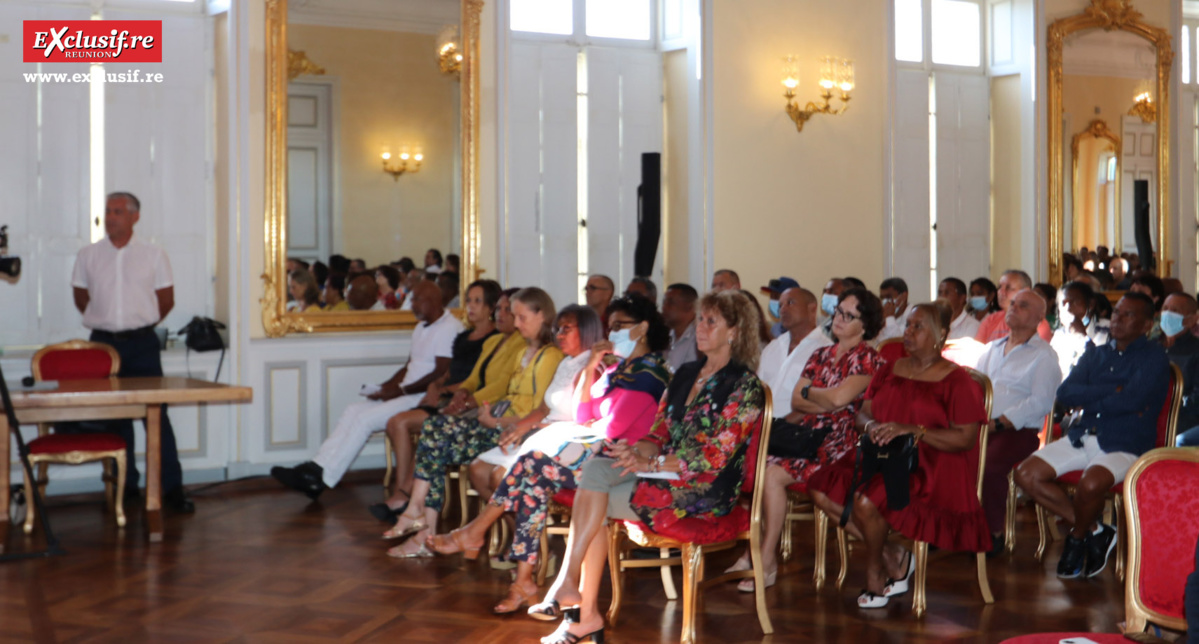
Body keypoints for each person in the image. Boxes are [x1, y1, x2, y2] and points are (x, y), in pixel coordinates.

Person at [532, 289, 765, 644]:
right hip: (661, 472)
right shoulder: (685, 373)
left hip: (703, 488)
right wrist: (633, 451)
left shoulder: (744, 386)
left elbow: (714, 457)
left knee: (593, 503)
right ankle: (575, 596)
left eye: (711, 321)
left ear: (734, 331)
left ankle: (579, 607)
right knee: (598, 468)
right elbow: (658, 431)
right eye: (700, 318)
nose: (699, 327)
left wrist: (649, 461)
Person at [429, 298, 671, 615]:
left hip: (618, 460)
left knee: (531, 465)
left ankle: (477, 533)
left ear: (642, 328)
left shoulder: (650, 373)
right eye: (608, 326)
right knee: (532, 480)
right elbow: (583, 412)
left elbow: (613, 428)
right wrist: (590, 366)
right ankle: (523, 581)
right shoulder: (617, 368)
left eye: (619, 326)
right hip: (593, 448)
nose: (610, 333)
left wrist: (586, 423)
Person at [808, 302, 990, 608]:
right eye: (907, 325)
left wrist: (912, 430)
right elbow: (861, 416)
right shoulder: (888, 370)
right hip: (884, 453)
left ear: (940, 334)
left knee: (866, 501)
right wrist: (875, 427)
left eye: (918, 327)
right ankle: (893, 553)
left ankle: (874, 571)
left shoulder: (956, 381)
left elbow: (965, 438)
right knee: (820, 489)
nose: (908, 332)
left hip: (933, 464)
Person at [384, 287, 564, 558]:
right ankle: (420, 519)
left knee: (435, 437)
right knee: (434, 435)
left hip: (517, 432)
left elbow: (538, 411)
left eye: (521, 317)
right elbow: (506, 393)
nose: (515, 323)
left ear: (542, 315)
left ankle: (420, 519)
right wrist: (485, 412)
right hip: (501, 424)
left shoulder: (550, 356)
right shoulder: (525, 351)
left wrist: (495, 420)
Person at [737, 287, 885, 592]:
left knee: (772, 475)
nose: (839, 319)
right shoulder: (821, 354)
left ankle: (765, 562)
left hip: (840, 442)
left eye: (849, 315)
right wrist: (824, 398)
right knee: (762, 468)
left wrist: (817, 395)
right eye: (838, 311)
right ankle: (761, 557)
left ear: (865, 325)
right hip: (807, 436)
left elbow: (840, 399)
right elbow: (798, 400)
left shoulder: (867, 358)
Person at [1014, 293, 1169, 579]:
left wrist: (1093, 397)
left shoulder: (1155, 357)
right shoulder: (1096, 353)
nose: (1117, 320)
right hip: (1083, 435)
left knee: (1091, 483)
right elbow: (1065, 393)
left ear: (1147, 325)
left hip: (1125, 442)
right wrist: (1113, 390)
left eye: (1128, 315)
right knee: (1026, 474)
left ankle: (1076, 538)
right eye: (1117, 313)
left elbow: (1133, 401)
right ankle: (1096, 530)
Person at [269, 281, 462, 498]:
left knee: (365, 420)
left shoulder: (449, 328)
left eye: (416, 300)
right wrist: (384, 387)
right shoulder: (420, 327)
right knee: (354, 410)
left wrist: (400, 391)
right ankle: (316, 468)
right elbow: (409, 366)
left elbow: (440, 372)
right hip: (406, 392)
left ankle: (321, 478)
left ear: (433, 301)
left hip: (421, 397)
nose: (411, 306)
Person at [71, 192, 194, 513]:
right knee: (116, 419)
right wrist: (109, 322)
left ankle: (172, 489)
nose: (111, 217)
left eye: (118, 211)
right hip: (103, 346)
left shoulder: (153, 255)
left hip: (142, 345)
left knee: (157, 416)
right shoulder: (88, 255)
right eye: (108, 211)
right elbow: (81, 297)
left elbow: (166, 301)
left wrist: (136, 324)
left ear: (134, 217)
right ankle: (125, 486)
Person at [377, 288, 526, 519]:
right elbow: (475, 378)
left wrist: (466, 402)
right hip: (476, 403)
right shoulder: (494, 341)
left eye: (508, 310)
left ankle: (413, 504)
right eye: (499, 309)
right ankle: (414, 505)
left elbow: (501, 385)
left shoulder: (520, 345)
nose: (502, 314)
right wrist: (462, 392)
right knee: (433, 429)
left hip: (493, 409)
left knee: (434, 431)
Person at [468, 304, 603, 496]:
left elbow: (582, 422)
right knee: (478, 469)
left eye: (567, 329)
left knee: (500, 476)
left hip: (567, 441)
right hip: (543, 432)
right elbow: (543, 409)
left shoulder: (592, 367)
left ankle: (520, 525)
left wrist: (531, 428)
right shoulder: (565, 363)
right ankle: (512, 525)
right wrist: (517, 429)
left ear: (587, 330)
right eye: (558, 329)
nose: (559, 335)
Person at [974, 289, 1061, 553]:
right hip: (981, 427)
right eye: (1012, 304)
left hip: (1017, 432)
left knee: (988, 466)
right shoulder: (992, 348)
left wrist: (999, 423)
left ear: (1039, 318)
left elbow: (1040, 402)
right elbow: (974, 388)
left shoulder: (1043, 355)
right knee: (949, 456)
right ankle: (955, 528)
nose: (1013, 308)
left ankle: (993, 532)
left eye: (1022, 306)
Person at [757, 287, 833, 407]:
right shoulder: (773, 347)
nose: (783, 309)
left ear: (812, 309)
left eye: (790, 303)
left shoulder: (826, 350)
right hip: (761, 420)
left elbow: (819, 403)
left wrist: (784, 424)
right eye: (780, 305)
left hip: (796, 423)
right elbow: (756, 390)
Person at [1160, 294, 1199, 447]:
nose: (1167, 314)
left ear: (1192, 319)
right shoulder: (1151, 346)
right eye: (1165, 309)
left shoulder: (1196, 350)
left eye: (1175, 311)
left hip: (1183, 418)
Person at [975, 270, 1052, 343]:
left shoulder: (1037, 324)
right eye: (999, 287)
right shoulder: (990, 320)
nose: (1001, 292)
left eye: (1008, 288)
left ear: (1025, 291)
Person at [1050, 281, 1099, 378]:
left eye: (1075, 302)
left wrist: (1083, 335)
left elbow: (1099, 364)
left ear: (1091, 304)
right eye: (1063, 303)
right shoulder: (1059, 336)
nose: (1067, 308)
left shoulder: (1105, 331)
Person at [661, 283, 698, 371]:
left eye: (670, 303)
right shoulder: (664, 335)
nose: (664, 307)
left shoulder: (698, 337)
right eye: (664, 302)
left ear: (689, 307)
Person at [876, 277, 912, 342]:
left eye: (889, 297)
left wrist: (889, 317)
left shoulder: (914, 315)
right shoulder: (883, 315)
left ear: (904, 296)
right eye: (882, 298)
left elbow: (897, 342)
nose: (885, 301)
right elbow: (879, 341)